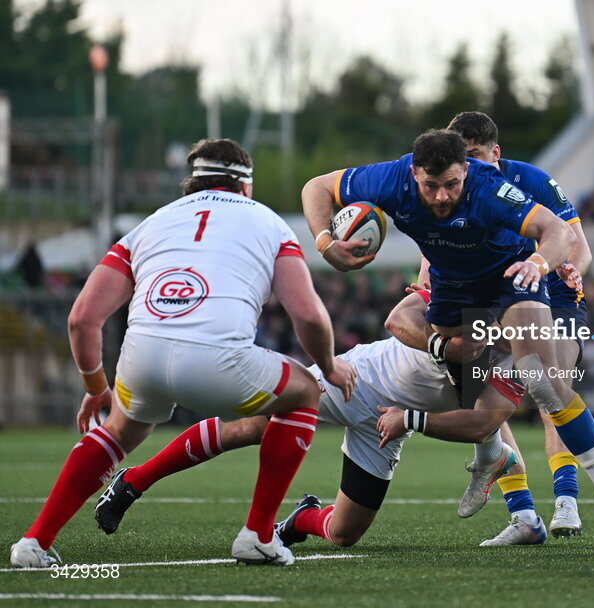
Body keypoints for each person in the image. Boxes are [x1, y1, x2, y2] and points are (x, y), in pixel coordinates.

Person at [9, 139, 355, 568]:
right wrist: (329, 366)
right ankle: (259, 535)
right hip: (220, 363)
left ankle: (34, 542)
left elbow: (82, 318)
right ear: (245, 187)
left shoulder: (150, 224)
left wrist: (96, 387)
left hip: (142, 362)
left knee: (119, 430)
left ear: (191, 184)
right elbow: (308, 315)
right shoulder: (268, 222)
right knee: (304, 390)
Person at [305, 129, 594, 547]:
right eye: (432, 186)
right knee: (462, 370)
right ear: (413, 174)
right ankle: (496, 465)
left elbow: (562, 233)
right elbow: (316, 187)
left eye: (453, 183)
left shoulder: (492, 188)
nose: (444, 196)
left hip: (512, 278)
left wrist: (538, 263)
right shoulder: (390, 180)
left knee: (544, 381)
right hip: (454, 288)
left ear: (469, 169)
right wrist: (324, 242)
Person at [94, 290, 526, 550]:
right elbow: (397, 319)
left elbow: (480, 425)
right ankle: (134, 482)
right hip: (357, 379)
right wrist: (441, 347)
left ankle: (301, 518)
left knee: (345, 534)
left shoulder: (524, 359)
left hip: (390, 423)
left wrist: (409, 419)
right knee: (253, 427)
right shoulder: (465, 295)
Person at [402, 110, 594, 545]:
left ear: (495, 153)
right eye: (462, 159)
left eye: (476, 156)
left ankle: (567, 501)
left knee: (548, 386)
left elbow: (579, 246)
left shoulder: (533, 180)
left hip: (553, 295)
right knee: (483, 408)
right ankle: (524, 517)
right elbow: (439, 245)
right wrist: (426, 277)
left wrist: (569, 272)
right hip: (489, 295)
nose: (469, 168)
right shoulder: (454, 186)